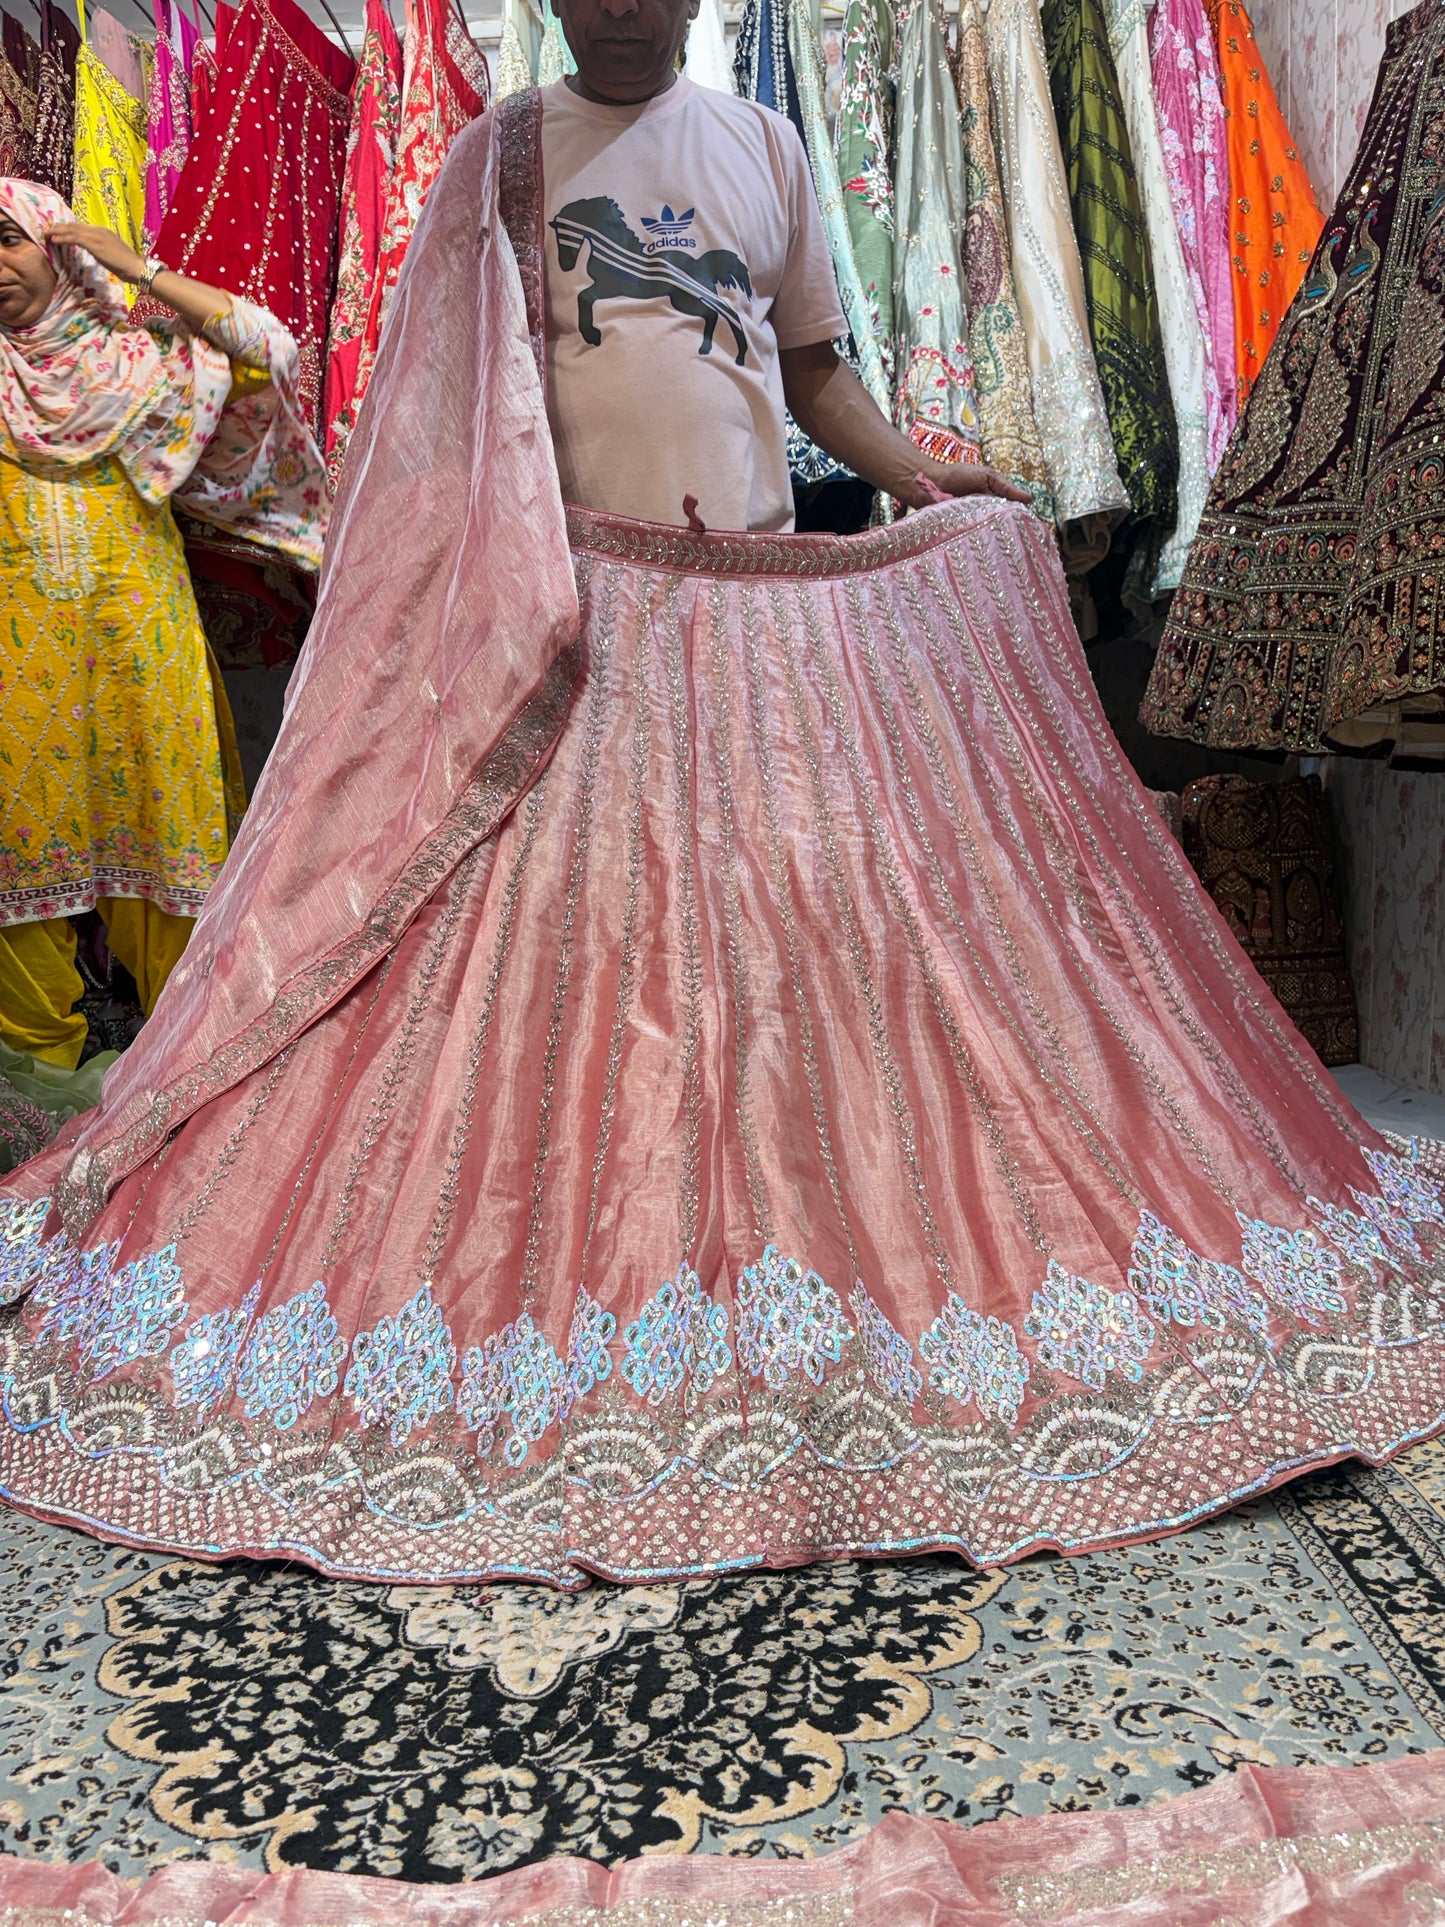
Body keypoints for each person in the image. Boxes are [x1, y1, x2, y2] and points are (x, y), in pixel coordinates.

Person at [0, 2, 1440, 1589]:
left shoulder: (762, 143)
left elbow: (810, 371)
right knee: (586, 978)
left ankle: (818, 1279)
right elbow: (440, 409)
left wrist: (911, 479)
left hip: (757, 620)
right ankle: (602, 1283)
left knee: (791, 958)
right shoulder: (502, 152)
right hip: (580, 630)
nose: (629, 10)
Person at [0, 182, 326, 1074]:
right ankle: (41, 1093)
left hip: (140, 655)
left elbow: (271, 350)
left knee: (167, 841)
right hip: (14, 676)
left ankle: (184, 1078)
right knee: (15, 870)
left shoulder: (137, 365)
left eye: (9, 241)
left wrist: (139, 270)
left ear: (58, 249)